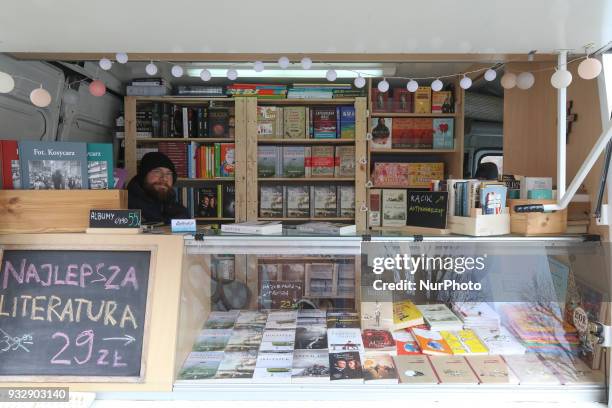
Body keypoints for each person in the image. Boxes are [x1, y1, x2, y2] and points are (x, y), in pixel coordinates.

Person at [127, 152, 188, 224]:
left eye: (168, 173)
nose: (164, 178)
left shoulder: (180, 211)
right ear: (143, 176)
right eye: (157, 172)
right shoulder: (125, 208)